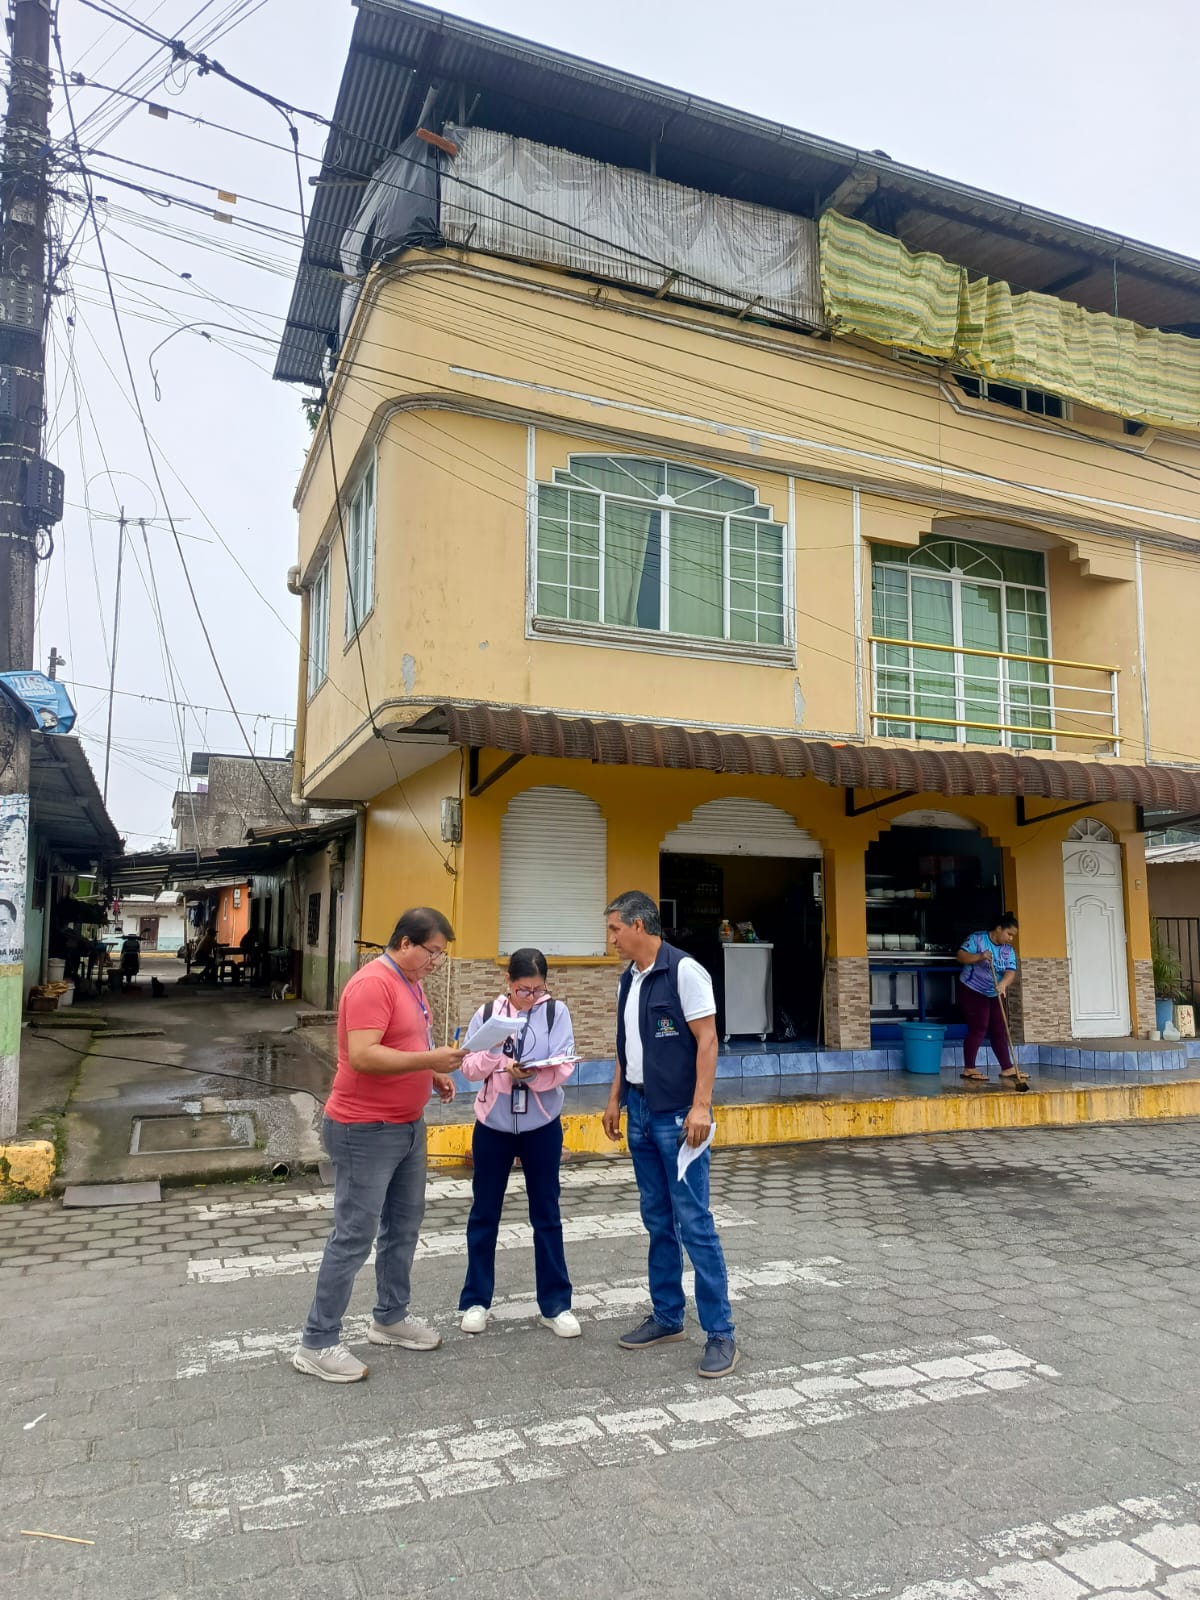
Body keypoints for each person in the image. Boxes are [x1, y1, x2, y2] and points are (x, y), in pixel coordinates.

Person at [293, 907, 466, 1383]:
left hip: (407, 1124)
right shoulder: (373, 983)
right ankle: (317, 1341)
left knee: (404, 1226)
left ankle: (390, 1317)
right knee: (354, 1234)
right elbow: (364, 1056)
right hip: (365, 1129)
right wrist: (431, 1060)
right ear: (405, 943)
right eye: (432, 952)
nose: (436, 962)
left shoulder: (411, 982)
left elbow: (403, 1044)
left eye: (440, 955)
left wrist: (430, 1073)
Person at [601, 890, 739, 1379]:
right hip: (639, 1110)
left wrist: (701, 1106)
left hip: (679, 1117)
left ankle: (720, 1333)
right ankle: (667, 1317)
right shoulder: (630, 979)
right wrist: (615, 1099)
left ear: (639, 926)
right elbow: (626, 1047)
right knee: (657, 1219)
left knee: (694, 1222)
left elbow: (708, 1039)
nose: (611, 939)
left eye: (616, 929)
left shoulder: (684, 972)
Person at [457, 948, 581, 1338]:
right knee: (484, 1213)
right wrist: (497, 1058)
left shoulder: (555, 1013)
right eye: (523, 990)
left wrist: (531, 1076)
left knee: (546, 1213)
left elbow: (564, 1064)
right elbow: (468, 1066)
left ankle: (556, 1305)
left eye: (538, 989)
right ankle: (476, 1301)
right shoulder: (488, 1014)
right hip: (492, 1126)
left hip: (541, 1125)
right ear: (508, 982)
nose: (531, 997)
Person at [957, 913, 1027, 1086]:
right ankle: (969, 1068)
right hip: (972, 989)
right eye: (1009, 934)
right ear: (999, 929)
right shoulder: (978, 939)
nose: (1010, 939)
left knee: (1000, 1028)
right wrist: (980, 956)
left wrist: (1003, 984)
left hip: (994, 991)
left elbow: (1010, 971)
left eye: (1013, 936)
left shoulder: (1008, 950)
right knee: (979, 1027)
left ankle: (1007, 1067)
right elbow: (961, 956)